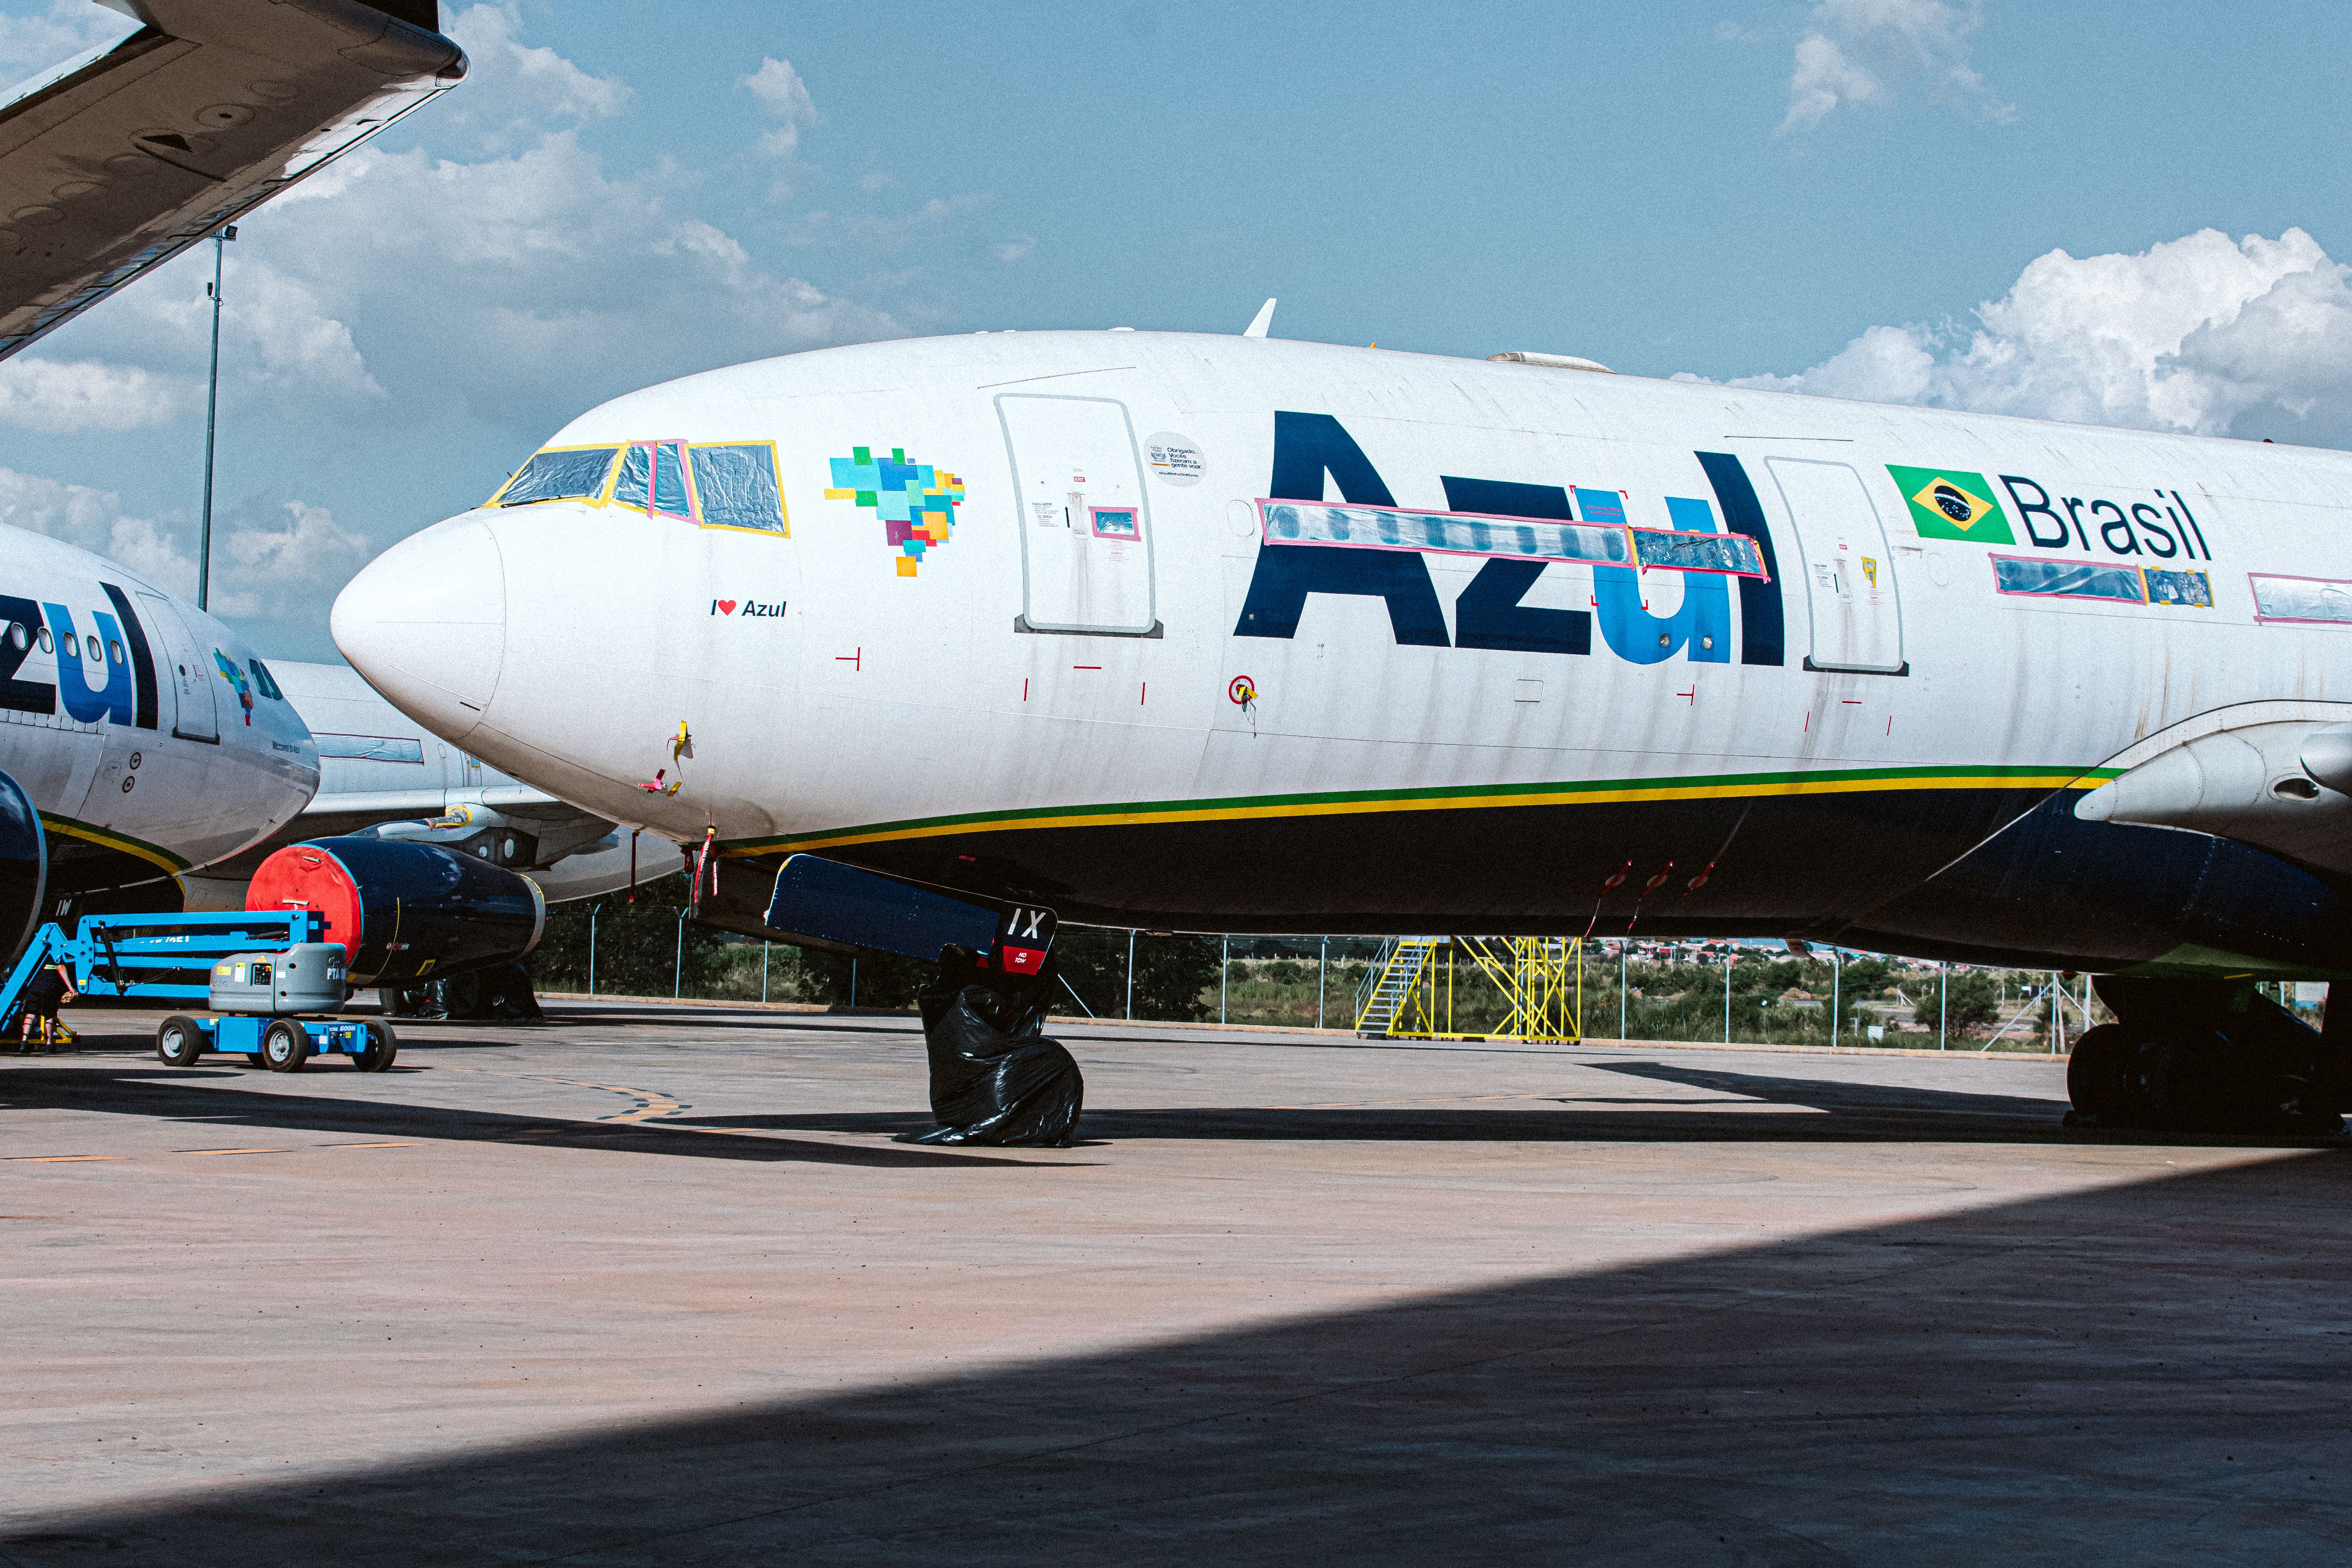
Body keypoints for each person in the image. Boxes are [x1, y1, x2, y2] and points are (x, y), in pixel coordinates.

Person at [16, 960, 76, 1054]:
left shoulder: (37, 951)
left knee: (31, 1013)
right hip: (50, 985)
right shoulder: (56, 952)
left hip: (35, 985)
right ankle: (49, 1045)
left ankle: (24, 1043)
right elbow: (61, 968)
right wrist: (71, 988)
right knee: (50, 1015)